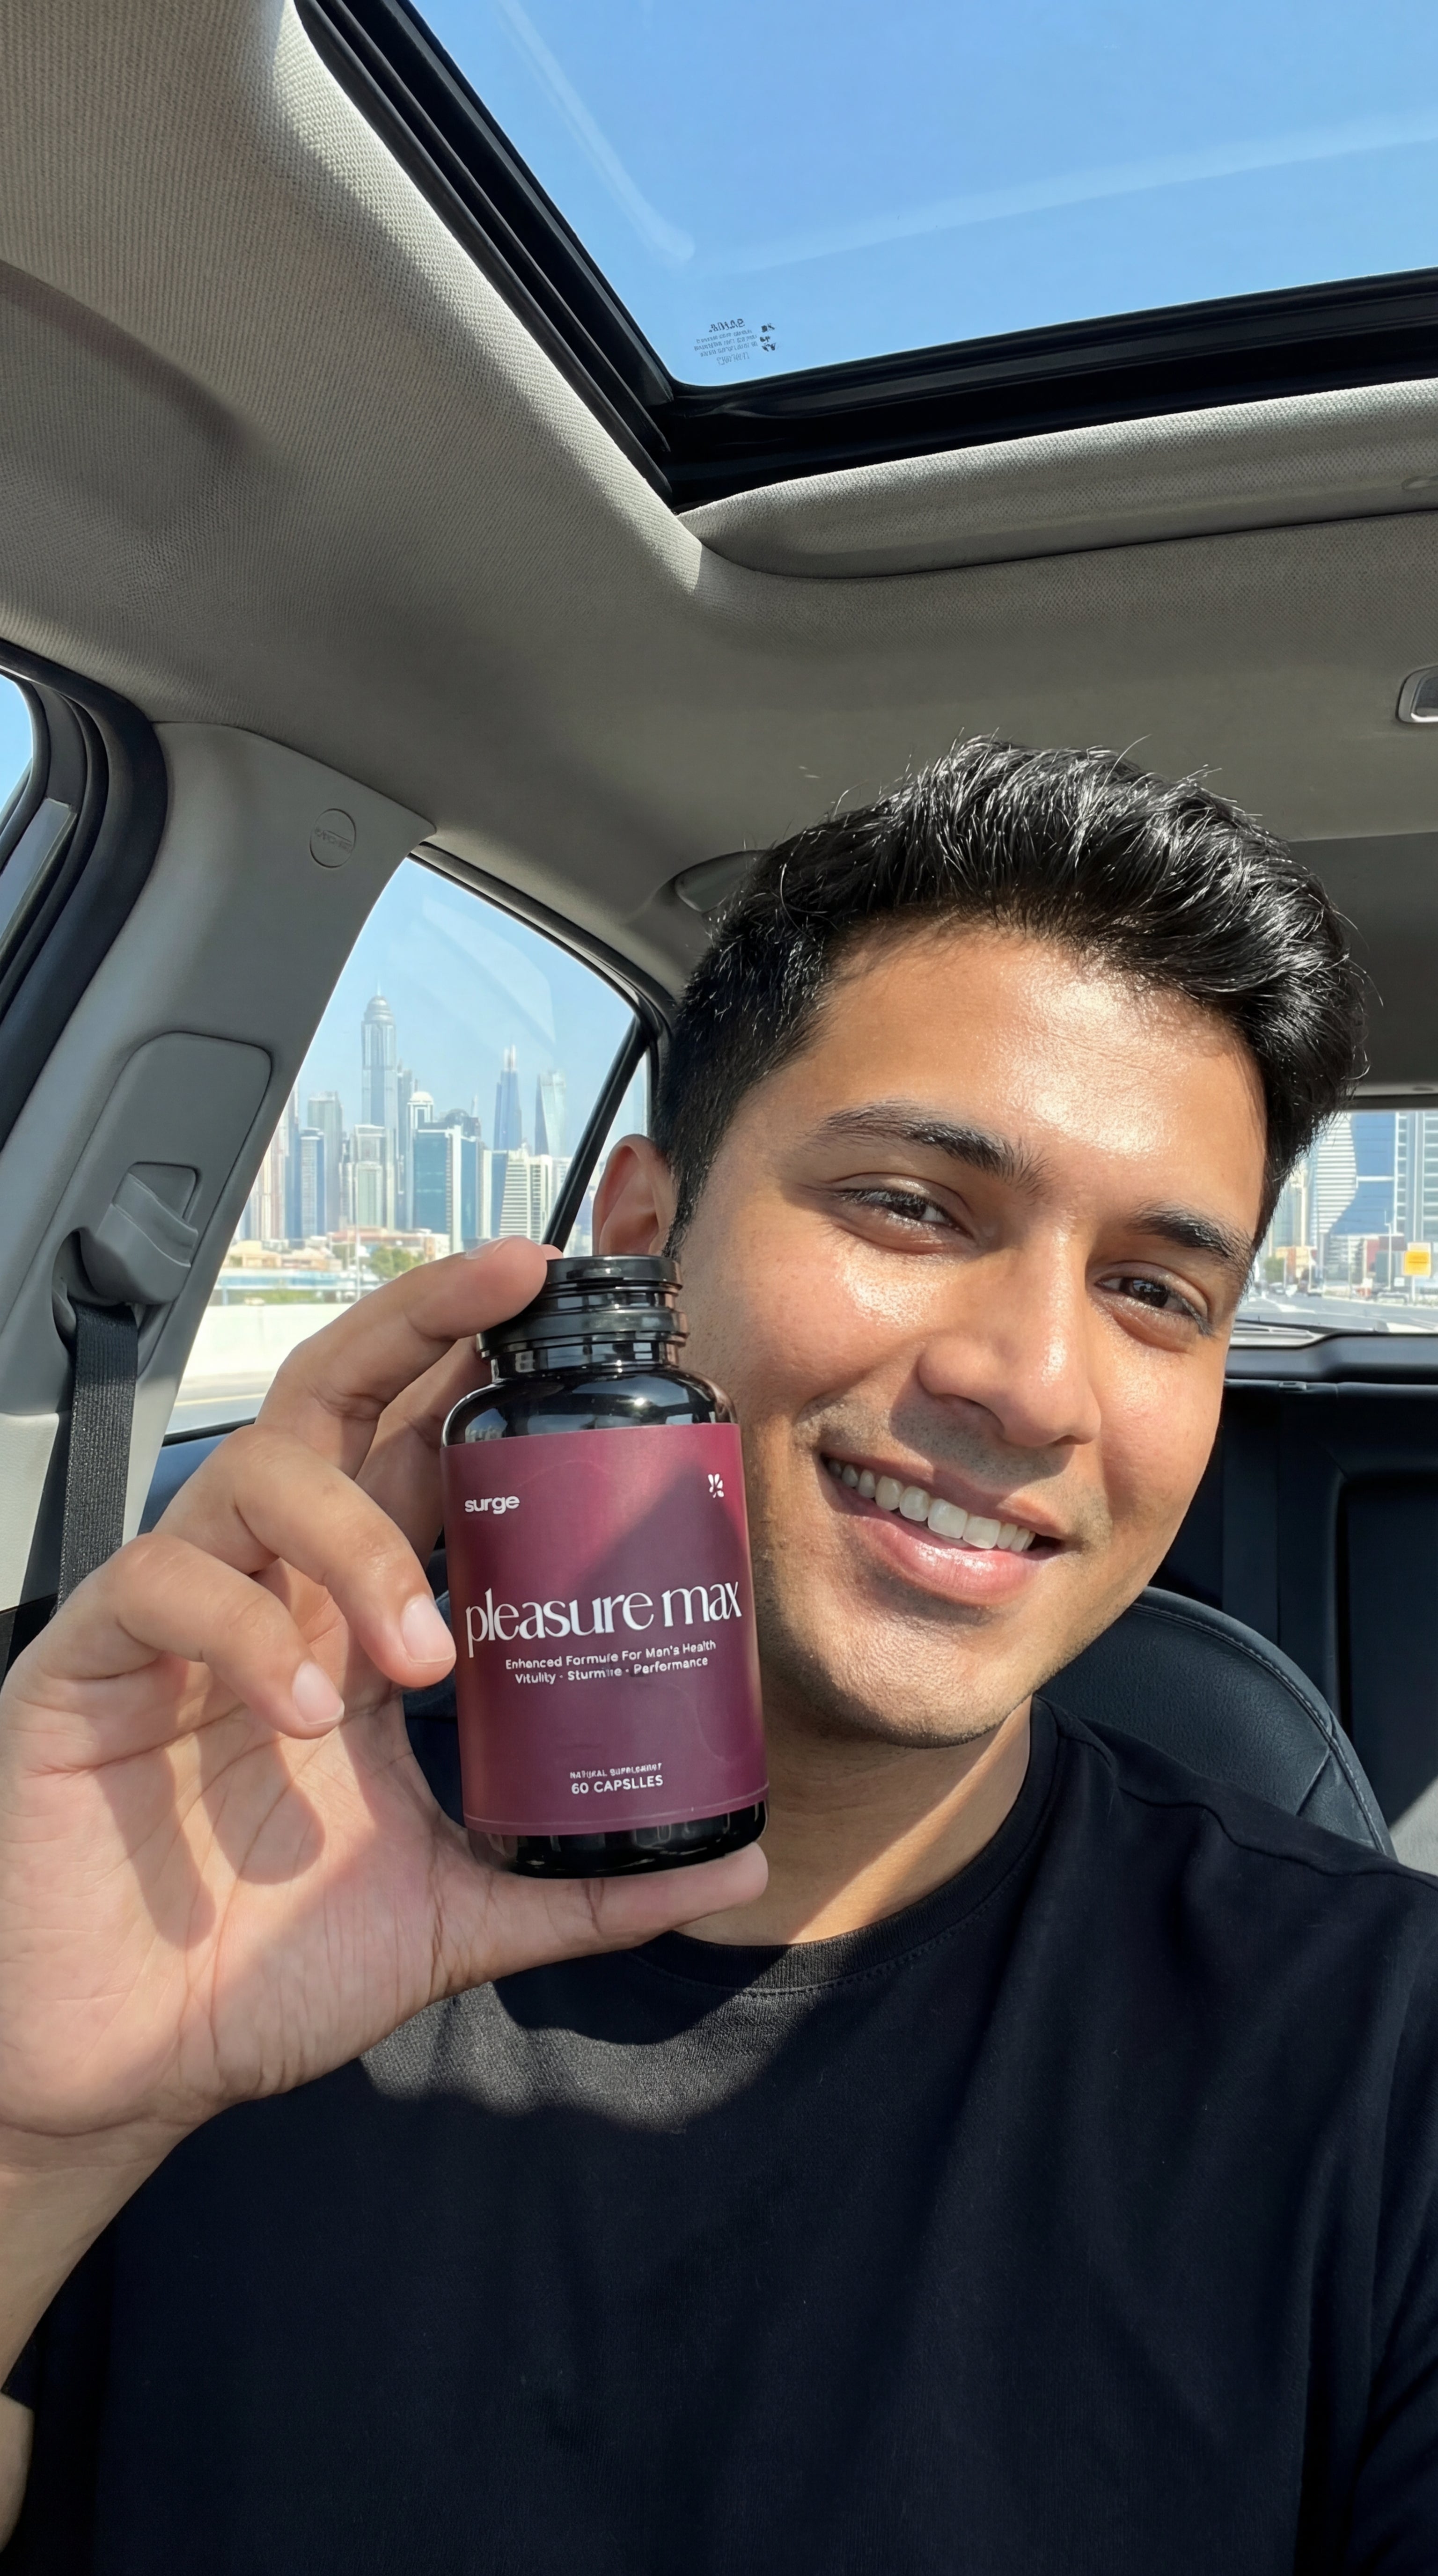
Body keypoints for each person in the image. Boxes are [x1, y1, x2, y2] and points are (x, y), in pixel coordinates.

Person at [0, 740, 1429, 2574]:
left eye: (1156, 1290)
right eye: (913, 1203)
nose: (1033, 1385)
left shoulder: (1379, 2059)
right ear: (639, 1241)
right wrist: (29, 2127)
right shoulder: (203, 1878)